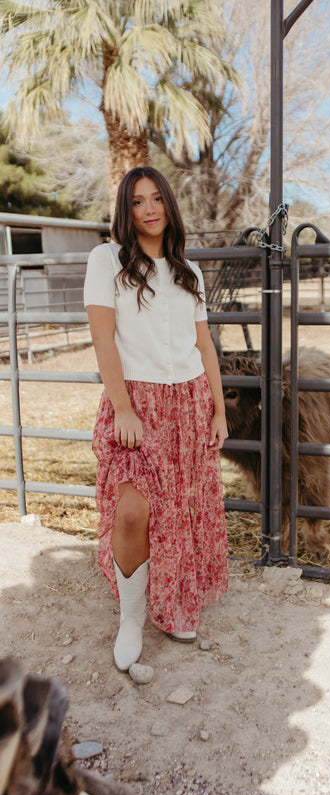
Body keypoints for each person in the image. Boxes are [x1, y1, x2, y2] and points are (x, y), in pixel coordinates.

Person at [83, 166, 228, 671]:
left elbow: (204, 345)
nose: (148, 209)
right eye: (138, 201)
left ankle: (174, 607)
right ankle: (131, 618)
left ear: (169, 205)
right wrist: (122, 406)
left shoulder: (189, 271)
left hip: (189, 403)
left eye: (156, 199)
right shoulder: (107, 260)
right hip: (136, 405)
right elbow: (104, 340)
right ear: (126, 209)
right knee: (131, 511)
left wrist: (219, 409)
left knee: (180, 514)